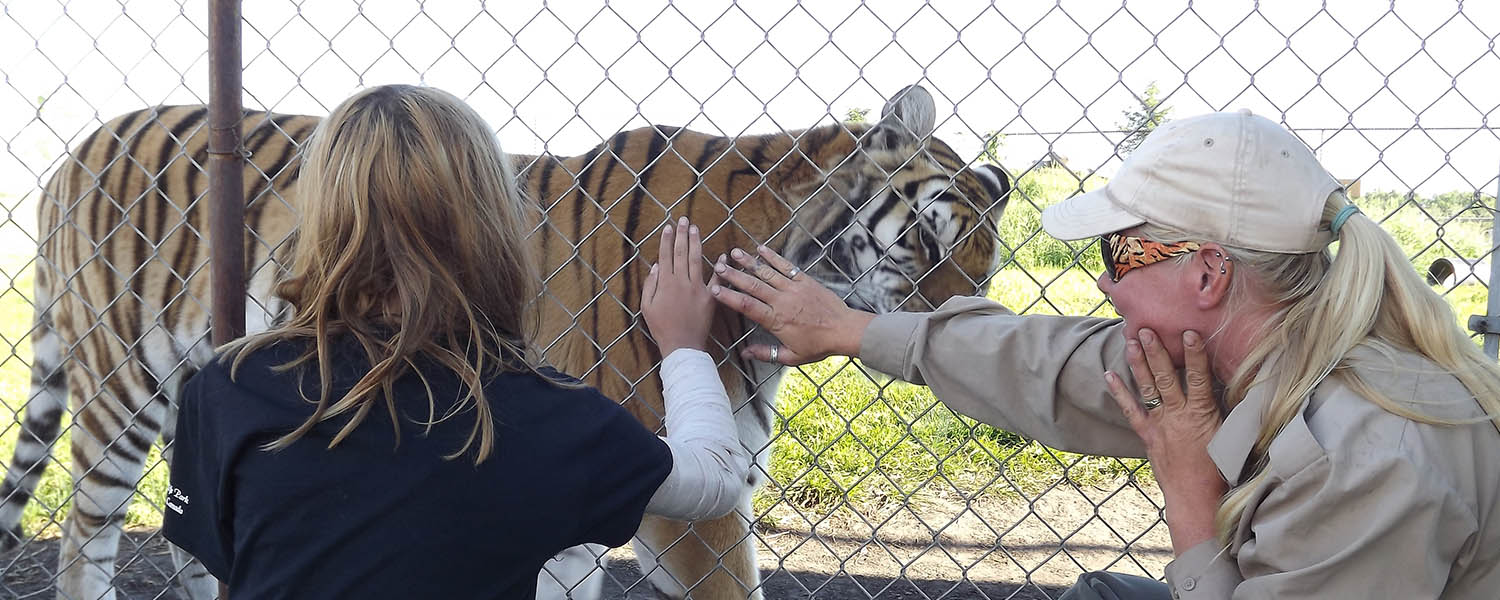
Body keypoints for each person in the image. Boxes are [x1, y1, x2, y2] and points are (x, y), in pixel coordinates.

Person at [703, 109, 1500, 598]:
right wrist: (853, 329)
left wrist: (1190, 500)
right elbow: (1049, 362)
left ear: (1210, 273)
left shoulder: (1369, 457)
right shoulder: (1250, 349)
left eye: (1121, 255)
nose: (1104, 283)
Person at [161, 84, 748, 599]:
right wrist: (684, 346)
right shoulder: (546, 414)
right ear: (495, 222)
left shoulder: (227, 387)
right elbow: (714, 481)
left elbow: (230, 557)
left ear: (316, 216)